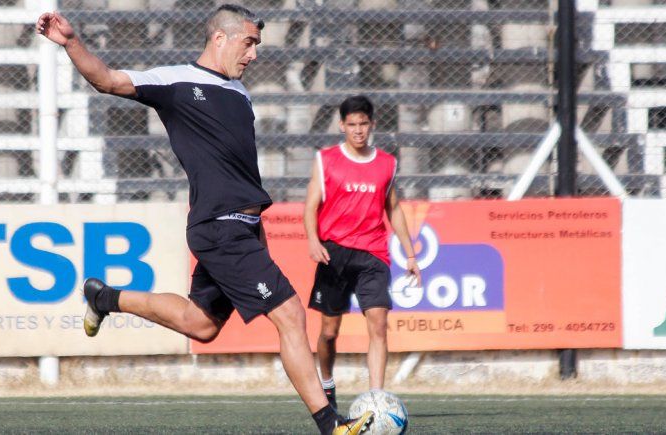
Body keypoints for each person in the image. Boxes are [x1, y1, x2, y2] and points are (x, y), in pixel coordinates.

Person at [36, 5, 373, 434]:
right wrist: (71, 42)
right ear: (220, 38)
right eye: (248, 43)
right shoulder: (175, 81)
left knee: (201, 324)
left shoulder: (240, 93)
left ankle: (105, 298)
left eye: (256, 45)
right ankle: (331, 425)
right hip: (220, 226)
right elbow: (107, 80)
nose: (253, 54)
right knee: (289, 313)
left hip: (245, 228)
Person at [304, 95, 422, 411]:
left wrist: (410, 255)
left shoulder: (386, 163)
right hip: (334, 253)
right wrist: (313, 239)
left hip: (373, 254)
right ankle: (327, 384)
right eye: (352, 124)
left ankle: (377, 399)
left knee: (379, 325)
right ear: (342, 125)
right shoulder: (325, 159)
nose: (358, 130)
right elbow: (311, 204)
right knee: (329, 332)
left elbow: (393, 208)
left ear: (372, 125)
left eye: (363, 124)